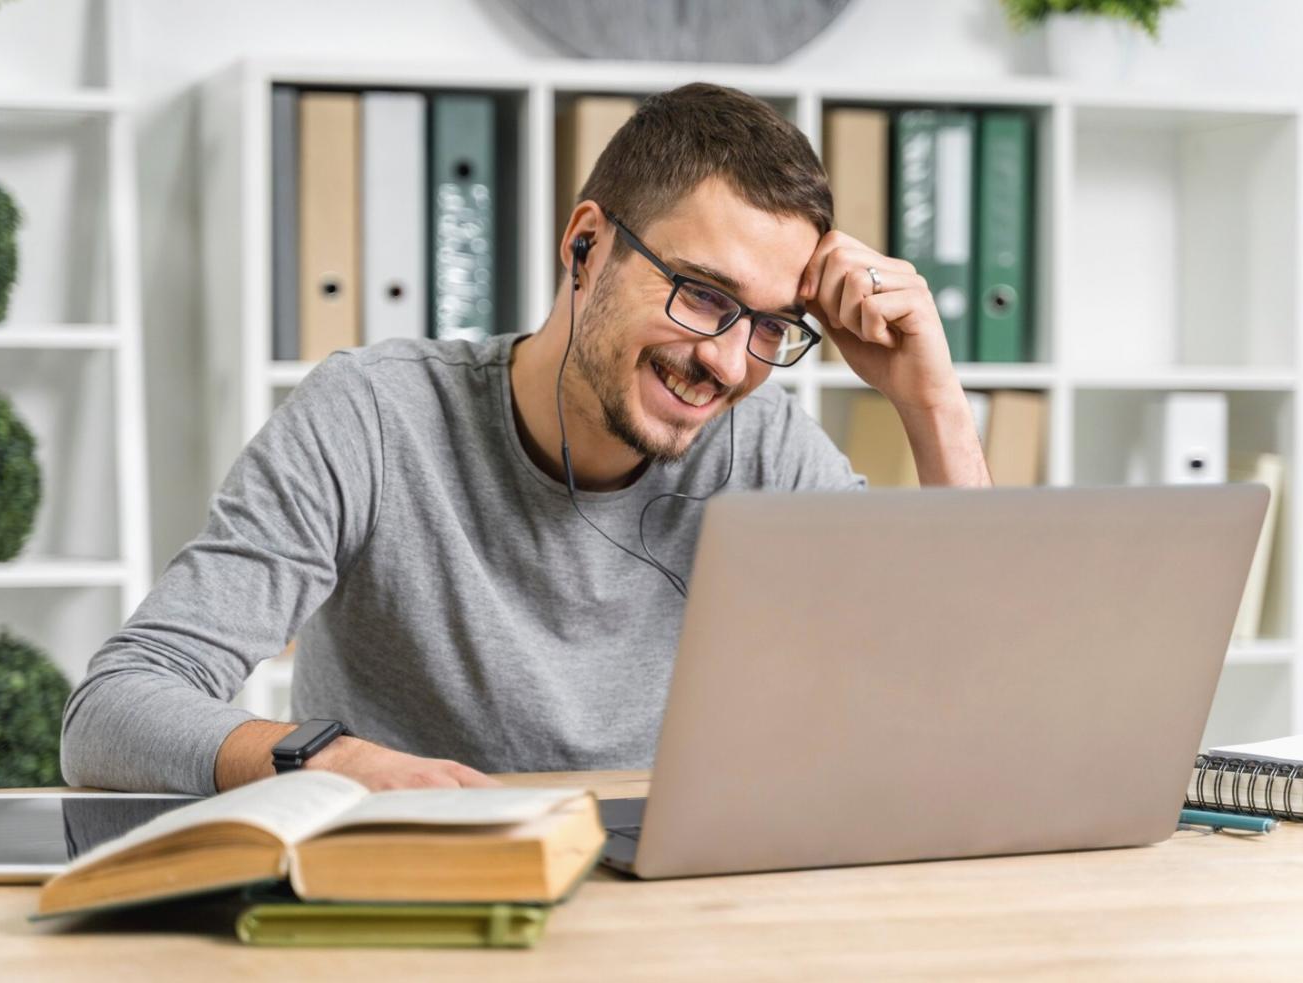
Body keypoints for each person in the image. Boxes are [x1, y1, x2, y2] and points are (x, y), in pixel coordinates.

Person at [60, 82, 991, 797]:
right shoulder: (374, 417)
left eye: (767, 325)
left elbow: (961, 688)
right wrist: (329, 763)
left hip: (669, 904)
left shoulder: (762, 445)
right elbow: (114, 708)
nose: (727, 362)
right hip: (423, 895)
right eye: (703, 294)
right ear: (586, 245)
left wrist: (935, 403)